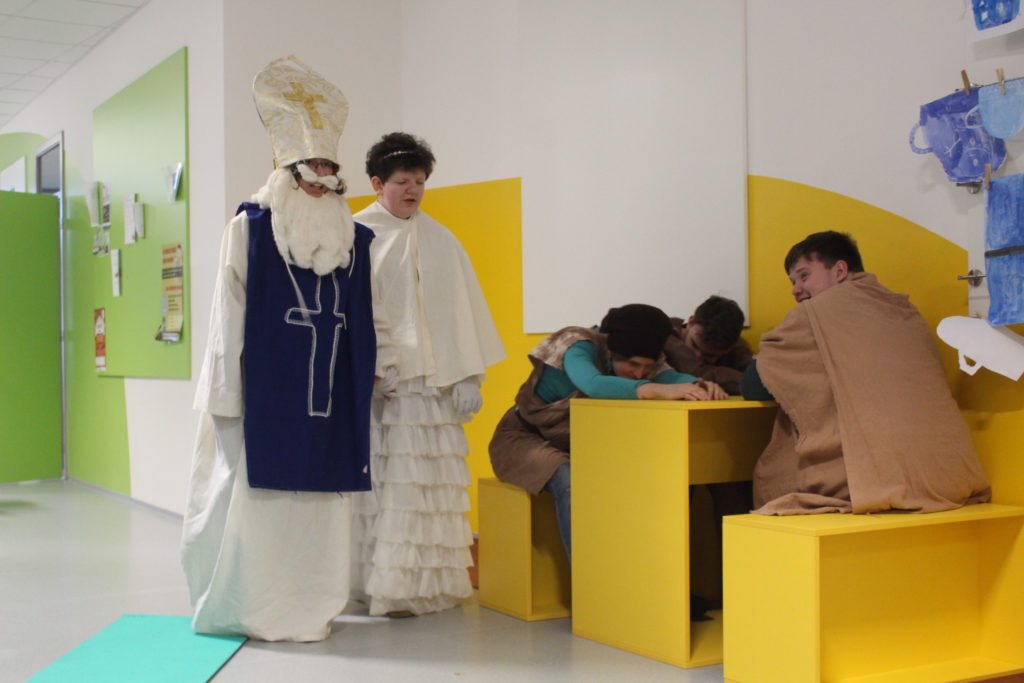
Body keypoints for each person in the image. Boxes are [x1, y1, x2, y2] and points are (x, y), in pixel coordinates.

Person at [181, 56, 380, 641]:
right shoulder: (249, 230)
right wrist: (225, 392)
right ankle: (248, 605)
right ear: (286, 173)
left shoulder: (353, 241)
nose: (321, 181)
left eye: (329, 171)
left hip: (328, 399)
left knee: (320, 508)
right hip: (261, 396)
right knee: (253, 504)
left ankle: (311, 605)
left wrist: (367, 381)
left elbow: (364, 320)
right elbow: (226, 314)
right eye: (311, 172)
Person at [350, 132, 506, 617]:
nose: (413, 190)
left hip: (433, 387)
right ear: (377, 183)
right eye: (402, 181)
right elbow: (354, 312)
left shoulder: (442, 239)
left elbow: (462, 311)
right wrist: (373, 369)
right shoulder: (357, 235)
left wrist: (469, 376)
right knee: (387, 487)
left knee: (428, 489)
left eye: (419, 181)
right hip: (385, 387)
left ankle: (425, 587)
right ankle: (382, 586)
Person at [741, 230, 991, 514]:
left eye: (804, 276)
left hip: (872, 481)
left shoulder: (814, 312)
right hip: (950, 476)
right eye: (793, 282)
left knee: (770, 475)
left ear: (840, 271)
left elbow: (753, 385)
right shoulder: (905, 310)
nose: (796, 289)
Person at [489, 303, 728, 563]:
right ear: (613, 351)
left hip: (583, 443)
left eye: (646, 368)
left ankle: (637, 575)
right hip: (524, 436)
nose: (639, 374)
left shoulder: (645, 364)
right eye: (633, 365)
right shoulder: (577, 344)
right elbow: (593, 384)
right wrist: (653, 389)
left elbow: (672, 378)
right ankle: (587, 579)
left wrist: (701, 385)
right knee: (568, 477)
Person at [663, 295, 752, 394]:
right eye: (695, 345)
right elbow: (696, 372)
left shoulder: (735, 346)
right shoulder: (664, 333)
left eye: (710, 355)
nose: (697, 356)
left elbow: (758, 377)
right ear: (691, 322)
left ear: (729, 349)